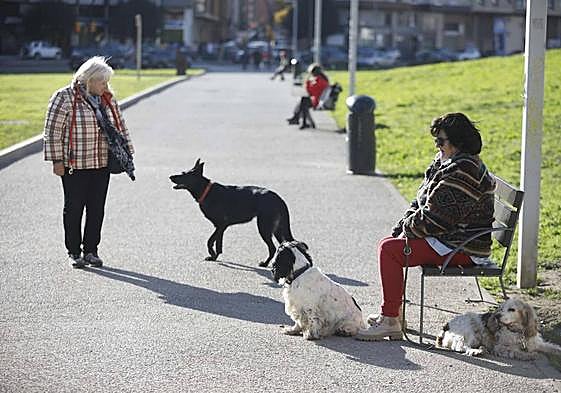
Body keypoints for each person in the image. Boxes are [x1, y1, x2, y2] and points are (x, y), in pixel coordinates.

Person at [355, 112, 496, 341]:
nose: (437, 145)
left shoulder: (463, 171)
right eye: (436, 140)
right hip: (449, 239)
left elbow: (436, 220)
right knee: (388, 244)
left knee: (390, 251)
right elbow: (420, 201)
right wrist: (402, 227)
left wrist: (406, 231)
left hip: (463, 248)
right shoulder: (449, 164)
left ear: (458, 142)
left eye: (441, 141)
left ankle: (390, 319)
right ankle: (394, 315)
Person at [43, 56, 134, 269]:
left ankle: (91, 251)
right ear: (89, 80)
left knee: (96, 209)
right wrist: (57, 160)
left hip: (101, 163)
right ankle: (74, 252)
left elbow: (120, 126)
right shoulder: (64, 97)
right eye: (102, 82)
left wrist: (128, 150)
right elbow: (52, 132)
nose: (106, 86)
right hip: (74, 165)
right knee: (74, 208)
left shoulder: (106, 98)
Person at [286, 63, 329, 129]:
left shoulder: (318, 80)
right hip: (318, 99)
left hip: (317, 101)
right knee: (303, 101)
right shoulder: (322, 79)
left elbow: (310, 91)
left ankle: (299, 119)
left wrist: (307, 82)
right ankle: (299, 119)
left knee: (303, 101)